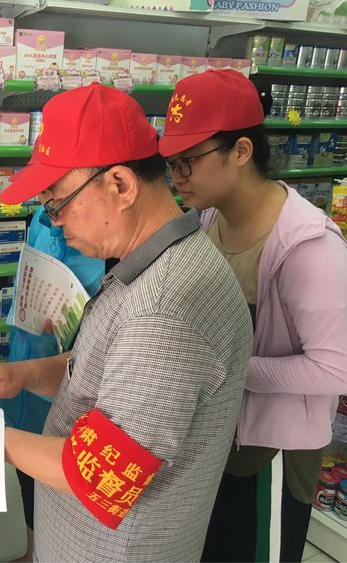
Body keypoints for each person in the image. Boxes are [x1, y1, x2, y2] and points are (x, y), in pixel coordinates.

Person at [0, 83, 253, 561]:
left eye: (57, 203)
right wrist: (22, 375)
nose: (54, 221)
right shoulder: (151, 263)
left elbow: (101, 475)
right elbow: (106, 369)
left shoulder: (165, 309)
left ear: (121, 185)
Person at [159, 69, 347, 562]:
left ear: (242, 151)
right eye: (171, 163)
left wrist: (226, 370)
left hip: (272, 453)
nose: (177, 177)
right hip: (219, 439)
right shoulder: (208, 220)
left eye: (189, 161)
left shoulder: (310, 249)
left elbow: (335, 368)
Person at [0, 204, 104, 561]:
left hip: (67, 396)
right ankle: (33, 548)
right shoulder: (42, 219)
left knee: (57, 487)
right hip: (28, 375)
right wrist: (19, 371)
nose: (49, 205)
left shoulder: (106, 245)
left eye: (54, 194)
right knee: (29, 482)